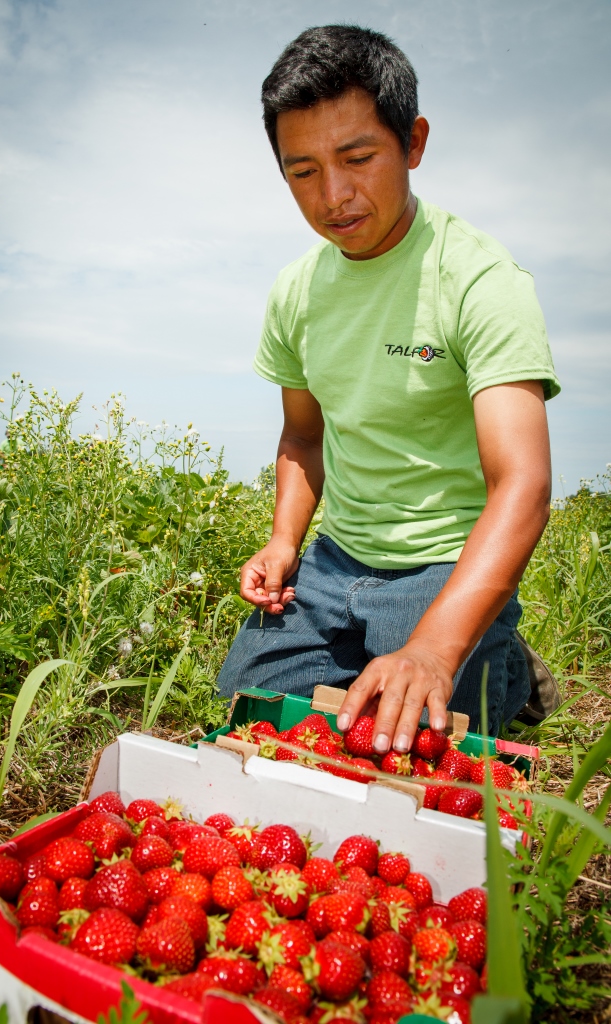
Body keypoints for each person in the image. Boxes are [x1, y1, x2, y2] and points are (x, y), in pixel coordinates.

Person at [217, 25, 560, 752]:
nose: (332, 196)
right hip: (334, 562)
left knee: (411, 741)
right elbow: (303, 437)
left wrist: (435, 647)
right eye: (301, 171)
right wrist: (284, 542)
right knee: (251, 714)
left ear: (413, 143)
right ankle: (417, 652)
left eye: (357, 158)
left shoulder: (478, 279)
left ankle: (503, 670)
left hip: (443, 561)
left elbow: (521, 484)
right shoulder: (296, 292)